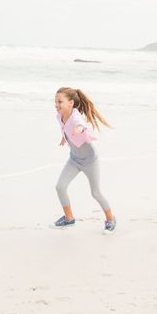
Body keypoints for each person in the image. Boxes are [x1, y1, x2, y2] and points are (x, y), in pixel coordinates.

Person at [53, 87, 116, 232]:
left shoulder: (76, 118)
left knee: (95, 193)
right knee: (60, 187)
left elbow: (82, 125)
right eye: (55, 101)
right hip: (74, 159)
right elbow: (65, 128)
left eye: (59, 102)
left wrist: (80, 129)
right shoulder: (59, 116)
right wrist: (64, 138)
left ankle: (111, 219)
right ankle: (69, 219)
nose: (56, 104)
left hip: (90, 161)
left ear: (71, 103)